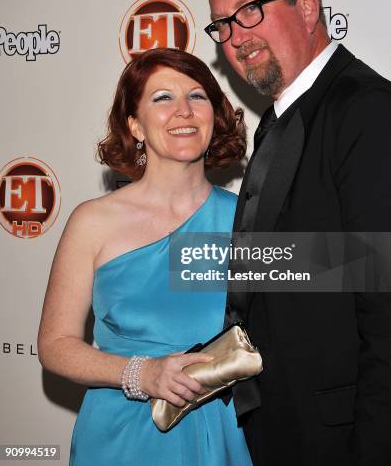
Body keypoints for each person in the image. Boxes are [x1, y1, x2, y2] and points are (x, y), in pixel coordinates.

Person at [205, 0, 391, 465]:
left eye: (250, 10)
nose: (236, 37)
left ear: (306, 6)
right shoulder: (279, 122)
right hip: (282, 429)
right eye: (223, 24)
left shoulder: (369, 114)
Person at [37, 48, 252, 466]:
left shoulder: (249, 218)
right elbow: (55, 345)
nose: (184, 111)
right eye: (162, 98)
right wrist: (144, 374)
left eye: (197, 96)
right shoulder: (93, 222)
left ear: (215, 115)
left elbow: (355, 275)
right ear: (134, 125)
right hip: (124, 435)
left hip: (225, 434)